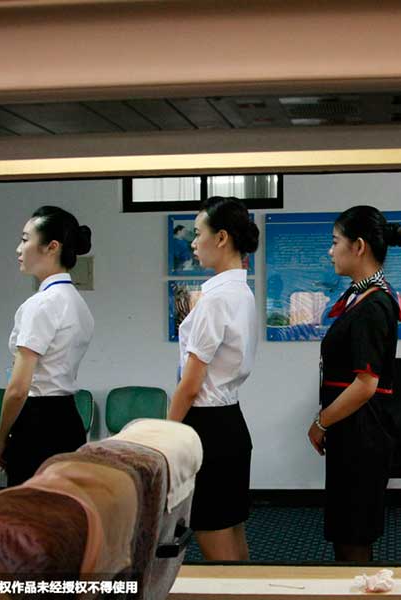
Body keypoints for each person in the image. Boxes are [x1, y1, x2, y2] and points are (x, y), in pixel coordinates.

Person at [307, 205, 401, 563]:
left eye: (336, 242)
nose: (330, 251)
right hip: (352, 428)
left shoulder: (373, 304)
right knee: (347, 527)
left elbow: (365, 385)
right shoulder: (362, 297)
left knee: (354, 531)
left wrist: (321, 422)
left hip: (362, 431)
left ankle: (358, 585)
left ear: (359, 246)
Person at [168, 196, 259, 561]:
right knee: (231, 529)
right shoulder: (241, 292)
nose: (193, 242)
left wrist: (166, 434)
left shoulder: (215, 300)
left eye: (198, 233)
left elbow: (190, 386)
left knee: (212, 532)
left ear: (221, 238)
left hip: (206, 428)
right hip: (230, 423)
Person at [0, 206, 94, 487]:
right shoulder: (77, 302)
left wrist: (1, 438)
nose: (19, 249)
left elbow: (18, 389)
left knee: (29, 508)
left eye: (25, 239)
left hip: (37, 424)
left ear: (52, 247)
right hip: (68, 418)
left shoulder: (41, 304)